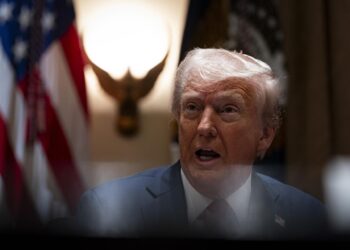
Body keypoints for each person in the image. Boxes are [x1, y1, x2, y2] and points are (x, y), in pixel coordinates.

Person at [71, 48, 328, 240]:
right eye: (192, 108)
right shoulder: (109, 211)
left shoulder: (307, 218)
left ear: (265, 136)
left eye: (227, 109)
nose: (204, 127)